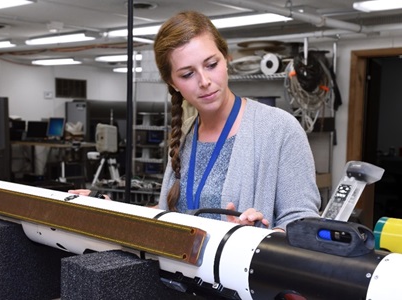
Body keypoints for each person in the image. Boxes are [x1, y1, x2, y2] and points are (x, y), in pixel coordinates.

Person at [70, 10, 321, 231]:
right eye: (188, 74)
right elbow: (173, 217)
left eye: (211, 64)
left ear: (226, 59)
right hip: (180, 280)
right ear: (173, 84)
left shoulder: (279, 129)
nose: (204, 81)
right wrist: (110, 209)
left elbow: (302, 221)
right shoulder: (186, 136)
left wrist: (256, 239)